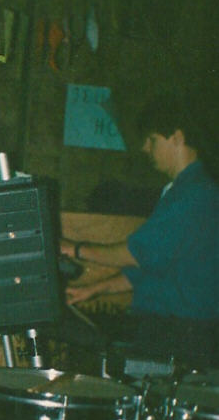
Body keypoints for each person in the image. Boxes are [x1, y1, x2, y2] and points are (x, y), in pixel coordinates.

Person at [61, 90, 218, 367]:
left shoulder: (194, 194)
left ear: (177, 137)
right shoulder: (184, 190)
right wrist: (93, 289)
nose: (145, 148)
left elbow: (135, 254)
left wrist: (72, 249)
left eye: (152, 139)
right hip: (179, 328)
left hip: (182, 333)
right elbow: (152, 269)